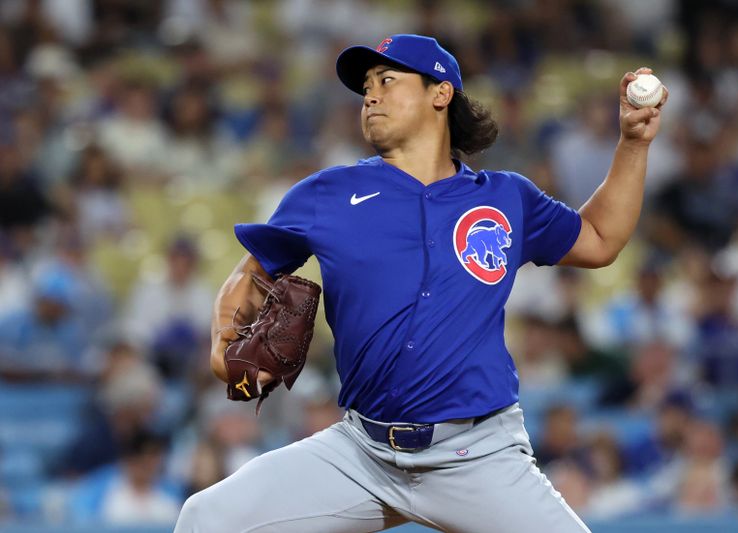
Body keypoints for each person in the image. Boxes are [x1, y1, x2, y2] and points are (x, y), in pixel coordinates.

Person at [174, 34, 667, 532]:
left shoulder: (504, 198)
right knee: (207, 519)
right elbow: (252, 271)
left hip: (477, 456)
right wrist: (223, 341)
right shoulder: (329, 193)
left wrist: (632, 143)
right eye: (366, 86)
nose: (370, 95)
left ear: (440, 94)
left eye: (387, 80)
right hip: (361, 454)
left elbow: (601, 238)